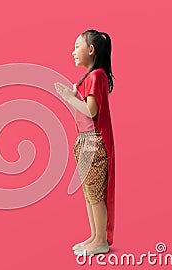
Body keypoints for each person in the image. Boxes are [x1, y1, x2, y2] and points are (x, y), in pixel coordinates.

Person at [54, 29, 116, 256]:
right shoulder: (91, 77)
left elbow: (92, 111)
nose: (73, 52)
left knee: (95, 194)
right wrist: (73, 95)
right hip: (85, 140)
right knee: (90, 193)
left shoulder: (96, 76)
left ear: (91, 50)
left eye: (77, 46)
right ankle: (94, 236)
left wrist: (70, 98)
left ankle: (100, 240)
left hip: (92, 141)